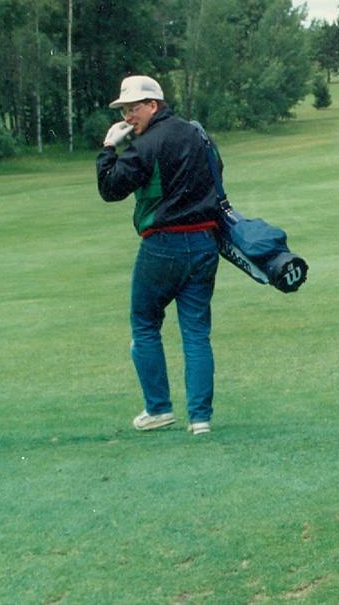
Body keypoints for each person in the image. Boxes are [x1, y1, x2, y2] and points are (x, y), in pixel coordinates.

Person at [96, 75, 222, 435]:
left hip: (163, 245)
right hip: (203, 243)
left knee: (145, 324)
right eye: (124, 110)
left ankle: (159, 409)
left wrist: (108, 148)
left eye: (133, 109)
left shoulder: (145, 144)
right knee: (196, 332)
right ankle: (200, 419)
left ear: (153, 105)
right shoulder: (197, 133)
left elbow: (110, 189)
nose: (128, 116)